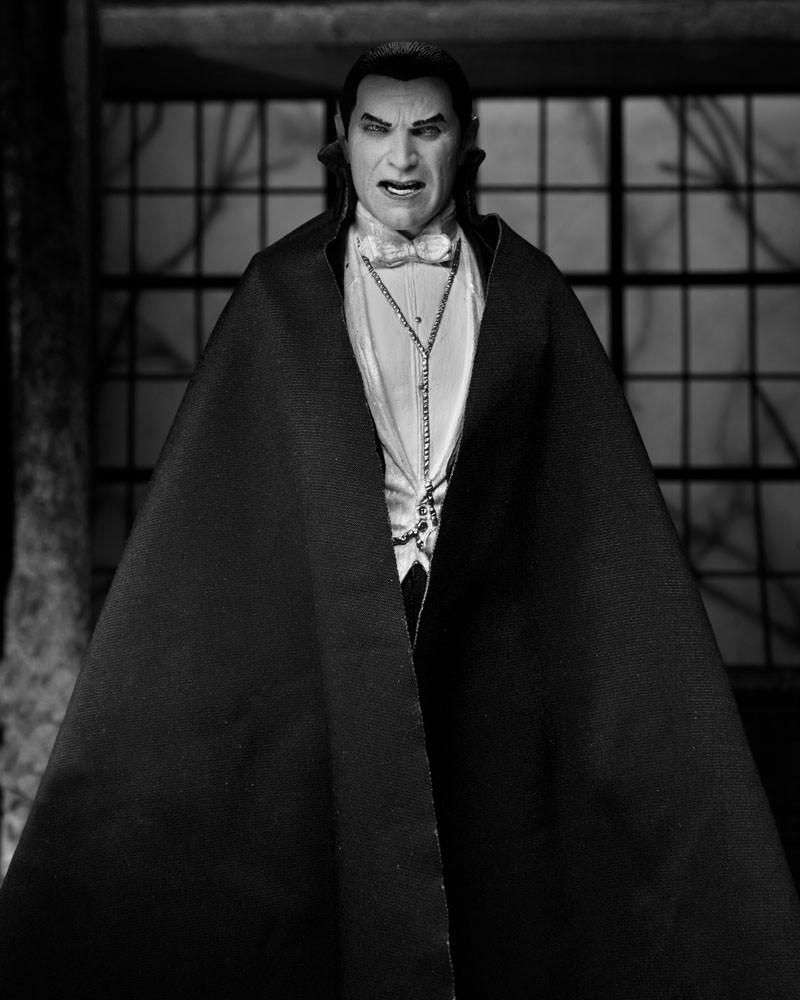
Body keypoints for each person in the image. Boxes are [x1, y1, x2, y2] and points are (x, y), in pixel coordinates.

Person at [1, 40, 799, 1000]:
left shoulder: (529, 292)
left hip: (493, 641)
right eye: (378, 129)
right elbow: (224, 495)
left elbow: (590, 500)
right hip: (332, 634)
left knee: (506, 894)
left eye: (429, 129)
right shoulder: (279, 293)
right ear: (342, 140)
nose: (403, 157)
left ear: (467, 142)